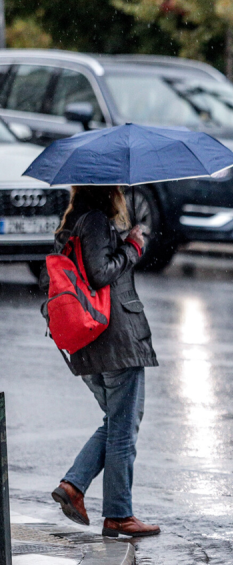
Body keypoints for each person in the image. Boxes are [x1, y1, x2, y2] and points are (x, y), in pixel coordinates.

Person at [49, 185, 161, 538]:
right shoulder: (95, 222)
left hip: (91, 343)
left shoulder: (72, 225)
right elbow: (100, 273)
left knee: (116, 423)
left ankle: (75, 486)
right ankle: (117, 513)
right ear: (107, 191)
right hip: (114, 339)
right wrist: (132, 247)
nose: (123, 194)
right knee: (123, 428)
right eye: (118, 188)